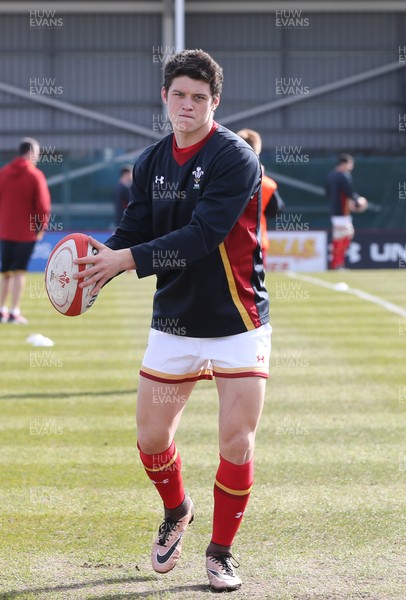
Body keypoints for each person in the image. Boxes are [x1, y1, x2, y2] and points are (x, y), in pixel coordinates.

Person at [75, 49, 271, 593]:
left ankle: (221, 553)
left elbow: (203, 236)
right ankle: (177, 509)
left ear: (216, 103)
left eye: (200, 98)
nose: (188, 105)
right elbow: (134, 226)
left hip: (239, 320)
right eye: (179, 95)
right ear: (164, 96)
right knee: (151, 437)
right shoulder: (151, 161)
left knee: (237, 441)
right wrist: (98, 263)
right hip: (175, 321)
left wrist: (125, 261)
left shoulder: (235, 157)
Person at [0, 138, 51, 323]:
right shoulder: (35, 175)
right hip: (26, 233)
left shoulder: (3, 173)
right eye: (36, 154)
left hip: (5, 231)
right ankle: (14, 311)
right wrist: (41, 227)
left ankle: (1, 310)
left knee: (5, 272)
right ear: (31, 153)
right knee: (19, 272)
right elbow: (43, 206)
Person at [237, 128, 284, 268]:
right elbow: (276, 211)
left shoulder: (222, 178)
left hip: (228, 242)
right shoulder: (267, 183)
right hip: (255, 239)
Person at [325, 153, 368, 270]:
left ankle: (336, 264)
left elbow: (327, 193)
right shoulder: (344, 175)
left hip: (335, 212)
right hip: (343, 213)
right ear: (344, 164)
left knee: (339, 237)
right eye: (350, 164)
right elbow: (350, 192)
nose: (351, 167)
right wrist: (358, 202)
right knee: (344, 237)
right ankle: (338, 264)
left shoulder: (331, 175)